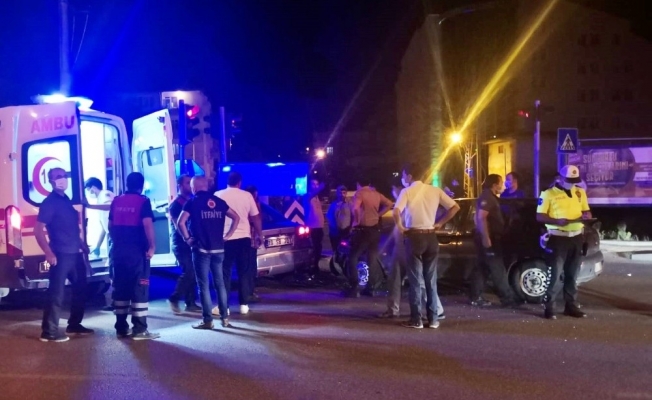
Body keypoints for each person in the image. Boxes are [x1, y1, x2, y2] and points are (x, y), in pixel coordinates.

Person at [394, 163, 460, 329]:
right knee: (431, 280)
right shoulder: (435, 190)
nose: (403, 178)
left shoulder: (406, 191)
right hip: (431, 237)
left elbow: (396, 211)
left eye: (404, 175)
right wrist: (440, 223)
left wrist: (401, 227)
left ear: (410, 176)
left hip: (414, 237)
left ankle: (416, 319)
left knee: (415, 280)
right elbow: (455, 207)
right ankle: (433, 319)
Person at [34, 168, 94, 342]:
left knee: (81, 288)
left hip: (75, 254)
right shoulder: (49, 203)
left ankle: (74, 324)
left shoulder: (66, 200)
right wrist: (48, 252)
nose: (62, 179)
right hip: (60, 254)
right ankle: (49, 332)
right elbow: (38, 230)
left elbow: (70, 227)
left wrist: (81, 244)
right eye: (58, 177)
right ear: (51, 181)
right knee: (56, 294)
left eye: (64, 176)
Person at [378, 177, 445, 320]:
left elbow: (402, 220)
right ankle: (394, 309)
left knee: (417, 279)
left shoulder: (407, 199)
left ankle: (435, 310)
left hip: (407, 244)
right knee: (399, 278)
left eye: (394, 190)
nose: (394, 192)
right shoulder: (406, 200)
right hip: (402, 245)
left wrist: (401, 229)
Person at [178, 176, 240, 329]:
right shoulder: (219, 202)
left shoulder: (192, 202)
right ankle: (225, 318)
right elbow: (236, 217)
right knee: (220, 284)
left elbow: (180, 222)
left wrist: (187, 239)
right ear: (206, 186)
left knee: (203, 286)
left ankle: (208, 321)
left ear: (194, 187)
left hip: (201, 250)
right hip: (219, 249)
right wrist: (228, 235)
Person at [537, 165, 592, 320]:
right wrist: (557, 221)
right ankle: (550, 307)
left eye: (574, 180)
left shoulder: (580, 192)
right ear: (560, 178)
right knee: (555, 275)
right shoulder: (548, 194)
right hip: (558, 238)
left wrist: (587, 216)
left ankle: (571, 306)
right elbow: (539, 216)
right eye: (569, 180)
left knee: (572, 275)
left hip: (576, 237)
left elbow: (586, 211)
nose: (572, 183)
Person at [109, 172, 159, 340]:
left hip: (119, 251)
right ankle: (140, 329)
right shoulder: (143, 201)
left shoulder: (116, 201)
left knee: (121, 288)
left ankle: (121, 327)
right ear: (141, 186)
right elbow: (147, 224)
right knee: (139, 287)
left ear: (127, 183)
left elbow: (110, 225)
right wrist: (152, 246)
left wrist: (117, 242)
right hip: (137, 252)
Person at [216, 171, 263, 315]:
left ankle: (225, 307)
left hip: (225, 239)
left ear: (227, 181)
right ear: (239, 182)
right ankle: (244, 305)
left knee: (225, 273)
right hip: (244, 238)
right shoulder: (247, 196)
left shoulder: (218, 195)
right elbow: (255, 217)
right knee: (244, 272)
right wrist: (259, 235)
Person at [470, 174, 519, 307]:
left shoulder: (490, 197)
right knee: (497, 269)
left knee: (482, 268)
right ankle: (507, 299)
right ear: (494, 185)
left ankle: (475, 297)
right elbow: (481, 218)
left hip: (489, 237)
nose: (502, 185)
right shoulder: (487, 197)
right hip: (489, 238)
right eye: (501, 183)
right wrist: (486, 237)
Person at [345, 177, 393, 297]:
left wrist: (356, 221)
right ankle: (371, 288)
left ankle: (354, 287)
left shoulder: (359, 193)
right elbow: (390, 204)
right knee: (372, 258)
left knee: (353, 257)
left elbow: (355, 208)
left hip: (363, 230)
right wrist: (378, 215)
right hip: (375, 230)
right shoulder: (376, 194)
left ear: (358, 183)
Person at [167, 175, 201, 314]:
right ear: (180, 185)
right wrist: (187, 239)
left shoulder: (190, 201)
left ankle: (190, 302)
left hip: (189, 241)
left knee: (192, 271)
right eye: (187, 183)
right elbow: (178, 225)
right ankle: (174, 298)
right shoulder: (176, 204)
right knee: (189, 271)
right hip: (181, 243)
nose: (190, 185)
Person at [83, 177, 115, 312]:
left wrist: (90, 206)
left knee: (114, 270)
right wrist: (97, 246)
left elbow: (111, 206)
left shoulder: (104, 194)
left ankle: (117, 302)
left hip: (117, 237)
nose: (88, 193)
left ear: (92, 188)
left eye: (87, 190)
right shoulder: (100, 199)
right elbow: (104, 227)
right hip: (113, 237)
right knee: (113, 270)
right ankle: (115, 300)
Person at [304, 178, 325, 279]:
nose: (315, 186)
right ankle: (311, 267)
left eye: (317, 184)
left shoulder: (317, 197)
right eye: (313, 184)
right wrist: (321, 186)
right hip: (312, 226)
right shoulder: (307, 196)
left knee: (318, 248)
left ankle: (316, 267)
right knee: (313, 247)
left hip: (319, 226)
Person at [245, 185, 262, 303]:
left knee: (251, 267)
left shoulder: (255, 204)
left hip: (252, 240)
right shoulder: (250, 205)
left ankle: (250, 291)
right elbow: (255, 220)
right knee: (249, 267)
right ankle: (248, 292)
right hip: (249, 240)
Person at [326, 185, 352, 260]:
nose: (342, 194)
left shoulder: (349, 204)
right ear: (337, 193)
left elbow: (354, 215)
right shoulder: (333, 204)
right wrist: (333, 227)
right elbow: (329, 216)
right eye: (340, 193)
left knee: (346, 251)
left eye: (344, 193)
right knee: (336, 250)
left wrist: (351, 227)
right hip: (335, 232)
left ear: (346, 193)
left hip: (346, 231)